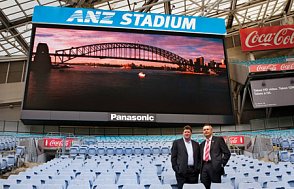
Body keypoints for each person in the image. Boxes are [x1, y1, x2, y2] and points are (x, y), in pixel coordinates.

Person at [200, 124, 231, 189]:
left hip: (215, 166)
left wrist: (221, 164)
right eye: (204, 130)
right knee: (204, 186)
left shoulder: (218, 140)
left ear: (211, 131)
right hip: (204, 167)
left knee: (216, 186)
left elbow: (227, 153)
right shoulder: (202, 144)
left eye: (207, 129)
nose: (206, 131)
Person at [171, 125, 201, 189]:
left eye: (188, 132)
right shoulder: (176, 143)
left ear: (191, 133)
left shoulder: (196, 144)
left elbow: (199, 158)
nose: (187, 133)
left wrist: (198, 169)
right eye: (185, 132)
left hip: (194, 172)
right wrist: (177, 170)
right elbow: (173, 157)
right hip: (181, 172)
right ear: (183, 133)